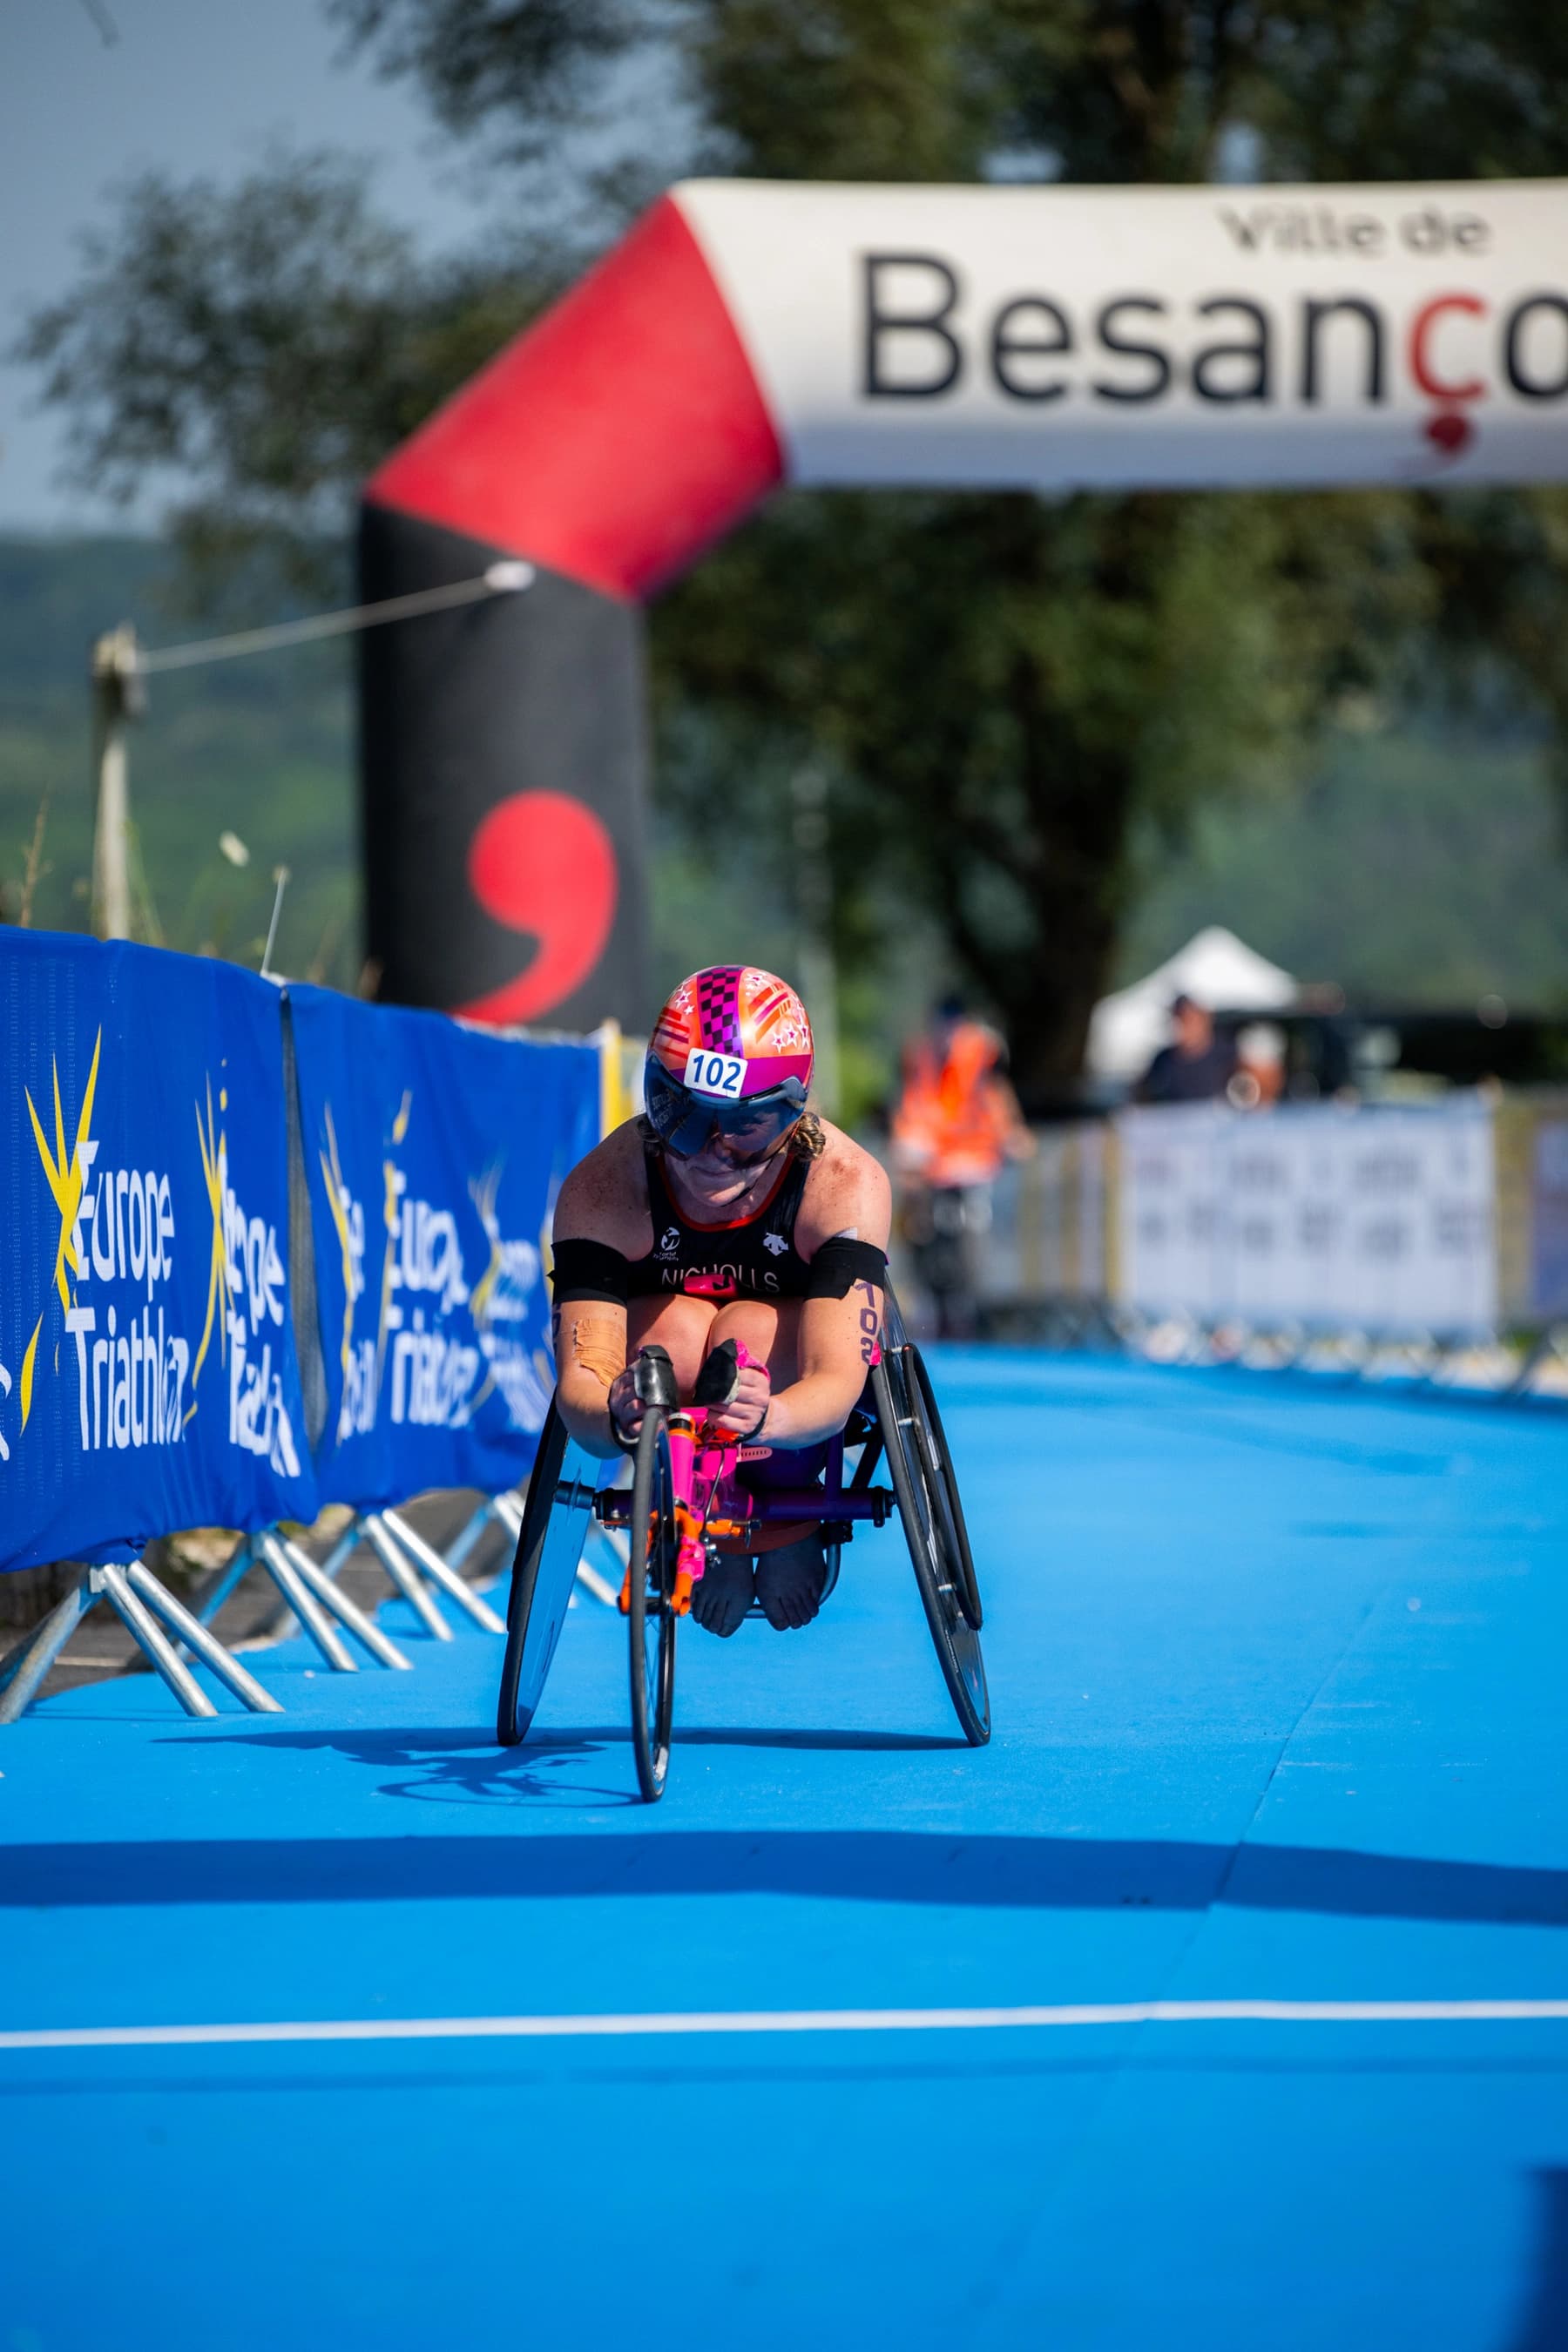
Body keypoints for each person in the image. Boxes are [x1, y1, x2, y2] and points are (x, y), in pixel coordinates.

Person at [550, 965, 891, 1639]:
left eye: (746, 1127)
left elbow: (837, 1380)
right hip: (670, 1360)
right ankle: (699, 1519)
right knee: (678, 1336)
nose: (711, 1151)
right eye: (684, 1118)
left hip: (779, 1370)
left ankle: (786, 1521)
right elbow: (581, 1385)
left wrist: (770, 1416)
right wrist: (614, 1412)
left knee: (745, 1331)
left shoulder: (841, 1183)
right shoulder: (604, 1189)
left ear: (792, 1114)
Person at [889, 994, 1032, 1337]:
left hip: (974, 1160)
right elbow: (912, 1106)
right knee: (925, 1233)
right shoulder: (920, 1056)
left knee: (972, 1235)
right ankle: (933, 1306)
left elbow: (997, 1094)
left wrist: (1013, 1131)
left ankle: (969, 1310)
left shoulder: (982, 1051)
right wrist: (906, 1152)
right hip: (934, 1164)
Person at [1133, 991, 1239, 1104]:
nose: (1180, 1025)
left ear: (1204, 1019)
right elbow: (1143, 1097)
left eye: (1187, 1018)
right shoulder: (1162, 1060)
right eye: (1176, 1018)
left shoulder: (1229, 1055)